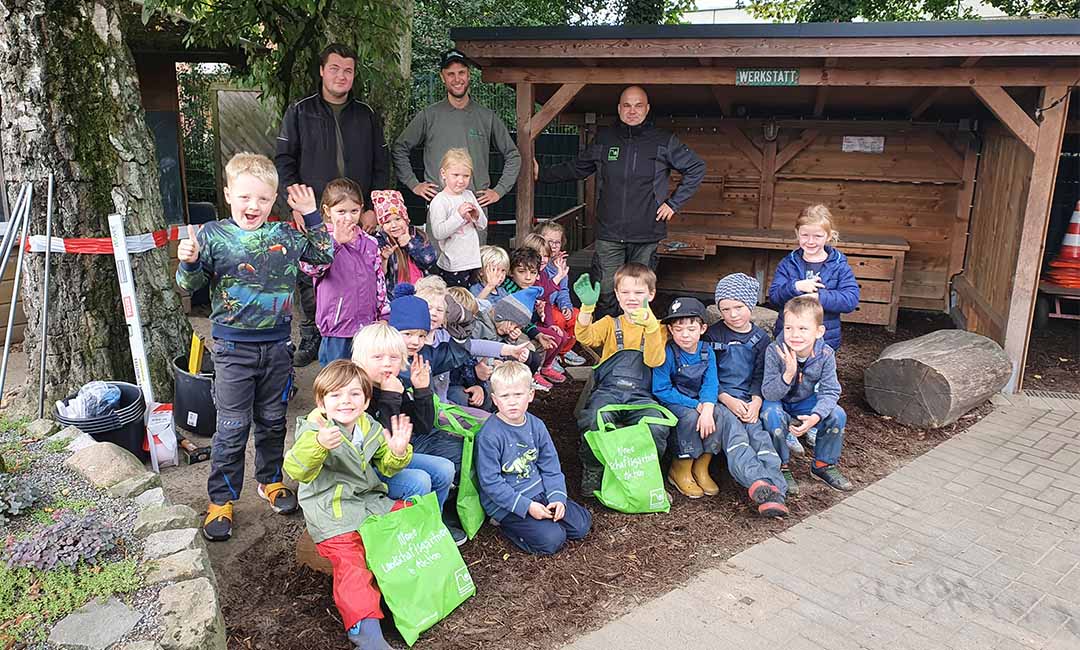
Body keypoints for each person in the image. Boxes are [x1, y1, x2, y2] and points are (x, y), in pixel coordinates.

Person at [176, 152, 334, 542]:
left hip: (278, 348)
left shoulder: (284, 235)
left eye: (263, 199)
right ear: (228, 193)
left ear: (274, 199)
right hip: (232, 350)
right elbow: (187, 288)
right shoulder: (211, 235)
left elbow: (324, 256)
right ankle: (221, 500)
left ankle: (270, 481)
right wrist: (190, 263)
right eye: (245, 197)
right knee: (230, 428)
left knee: (271, 421)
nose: (254, 206)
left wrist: (312, 214)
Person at [536, 85, 706, 318]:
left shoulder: (663, 141)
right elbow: (577, 167)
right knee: (606, 291)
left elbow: (696, 167)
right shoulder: (605, 139)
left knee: (638, 294)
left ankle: (633, 346)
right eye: (627, 105)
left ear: (647, 109)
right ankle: (606, 346)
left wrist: (673, 203)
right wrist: (541, 174)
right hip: (609, 232)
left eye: (638, 105)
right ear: (619, 108)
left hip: (647, 231)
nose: (632, 111)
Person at [283, 360, 412, 650]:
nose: (346, 401)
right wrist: (317, 445)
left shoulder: (370, 427)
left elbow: (387, 466)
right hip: (333, 511)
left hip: (368, 502)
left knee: (407, 521)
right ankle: (364, 629)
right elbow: (296, 469)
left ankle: (409, 598)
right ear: (322, 401)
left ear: (366, 401)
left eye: (354, 394)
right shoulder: (314, 429)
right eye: (336, 395)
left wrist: (399, 452)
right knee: (352, 562)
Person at [276, 43, 390, 367]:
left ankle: (359, 334)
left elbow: (381, 163)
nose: (342, 75)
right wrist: (298, 205)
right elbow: (284, 161)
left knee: (357, 271)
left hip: (357, 213)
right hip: (316, 214)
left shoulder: (365, 115)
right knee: (311, 276)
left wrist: (373, 207)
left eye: (348, 70)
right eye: (335, 68)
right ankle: (313, 334)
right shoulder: (300, 111)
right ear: (323, 71)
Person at [476, 361, 592, 555]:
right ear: (495, 400)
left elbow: (550, 465)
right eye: (505, 396)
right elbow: (491, 482)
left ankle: (544, 518)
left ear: (530, 395)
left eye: (518, 395)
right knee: (552, 540)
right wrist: (527, 506)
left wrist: (557, 497)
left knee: (581, 524)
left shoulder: (536, 425)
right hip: (509, 501)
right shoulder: (489, 435)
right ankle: (505, 524)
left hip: (538, 489)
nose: (512, 402)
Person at [573, 263, 670, 494]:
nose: (631, 298)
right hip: (609, 392)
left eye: (638, 293)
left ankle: (648, 474)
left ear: (651, 294)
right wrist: (587, 308)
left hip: (642, 396)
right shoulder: (610, 323)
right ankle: (593, 467)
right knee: (596, 417)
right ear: (616, 294)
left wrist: (652, 328)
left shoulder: (661, 329)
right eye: (625, 292)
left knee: (656, 425)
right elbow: (584, 337)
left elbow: (655, 361)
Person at [393, 49, 521, 222]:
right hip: (440, 205)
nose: (457, 79)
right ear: (442, 77)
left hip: (474, 207)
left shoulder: (486, 117)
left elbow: (513, 155)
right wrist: (414, 184)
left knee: (475, 250)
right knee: (438, 250)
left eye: (461, 72)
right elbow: (400, 148)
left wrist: (499, 190)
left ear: (469, 75)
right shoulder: (429, 115)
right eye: (450, 74)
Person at [351, 323, 455, 516]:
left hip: (394, 458)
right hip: (366, 468)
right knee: (419, 481)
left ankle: (433, 524)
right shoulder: (356, 391)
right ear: (360, 360)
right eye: (378, 357)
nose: (387, 363)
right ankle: (411, 536)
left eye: (394, 357)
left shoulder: (395, 385)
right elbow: (377, 441)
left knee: (445, 468)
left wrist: (422, 390)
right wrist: (390, 398)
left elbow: (423, 427)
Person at [705, 274, 789, 513]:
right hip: (721, 400)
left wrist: (756, 402)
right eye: (725, 309)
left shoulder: (761, 339)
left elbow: (760, 374)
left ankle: (777, 491)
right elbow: (707, 375)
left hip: (748, 400)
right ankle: (756, 482)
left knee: (760, 437)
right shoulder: (713, 335)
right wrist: (725, 398)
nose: (732, 314)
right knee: (737, 436)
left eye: (738, 307)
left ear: (750, 305)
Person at [761, 296, 853, 494]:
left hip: (805, 401)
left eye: (803, 329)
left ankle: (823, 465)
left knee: (836, 414)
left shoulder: (826, 354)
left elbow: (830, 390)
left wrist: (816, 416)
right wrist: (787, 374)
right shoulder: (774, 351)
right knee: (772, 415)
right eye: (789, 328)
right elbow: (768, 392)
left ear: (819, 331)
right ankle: (780, 466)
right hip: (778, 401)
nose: (795, 335)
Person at [300, 178, 387, 366]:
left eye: (354, 211)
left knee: (364, 379)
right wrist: (335, 243)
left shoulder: (370, 243)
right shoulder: (321, 242)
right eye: (341, 211)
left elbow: (379, 280)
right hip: (336, 329)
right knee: (335, 382)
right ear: (327, 211)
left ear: (361, 209)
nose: (348, 217)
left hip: (367, 328)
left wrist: (384, 315)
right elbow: (310, 268)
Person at [650, 297, 722, 500]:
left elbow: (711, 383)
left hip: (699, 401)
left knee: (719, 414)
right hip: (674, 401)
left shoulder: (708, 351)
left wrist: (707, 407)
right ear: (671, 331)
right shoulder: (668, 352)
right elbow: (661, 389)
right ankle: (681, 468)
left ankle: (702, 467)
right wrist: (695, 405)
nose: (685, 335)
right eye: (679, 329)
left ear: (702, 328)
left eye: (691, 329)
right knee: (690, 418)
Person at [768, 204, 860, 351]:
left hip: (824, 339)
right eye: (805, 235)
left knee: (818, 373)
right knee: (786, 372)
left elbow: (850, 300)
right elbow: (774, 297)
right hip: (789, 337)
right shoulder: (788, 263)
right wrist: (796, 287)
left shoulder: (839, 265)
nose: (810, 241)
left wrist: (819, 298)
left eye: (817, 236)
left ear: (829, 236)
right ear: (797, 233)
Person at [500, 248, 567, 389]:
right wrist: (537, 333)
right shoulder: (510, 289)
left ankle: (534, 375)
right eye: (522, 271)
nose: (528, 277)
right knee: (529, 347)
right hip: (507, 332)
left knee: (547, 340)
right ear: (511, 272)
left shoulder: (526, 291)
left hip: (523, 327)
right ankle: (526, 379)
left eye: (533, 272)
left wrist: (539, 331)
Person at [428, 149, 487, 287]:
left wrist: (477, 216)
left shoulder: (469, 195)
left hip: (473, 260)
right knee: (456, 301)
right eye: (455, 175)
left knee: (471, 299)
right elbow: (438, 232)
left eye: (466, 176)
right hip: (453, 265)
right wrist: (459, 216)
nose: (460, 180)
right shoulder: (439, 201)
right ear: (444, 174)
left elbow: (482, 225)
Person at [535, 221, 587, 367]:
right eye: (549, 241)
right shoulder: (539, 263)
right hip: (542, 307)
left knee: (576, 316)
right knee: (557, 319)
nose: (553, 246)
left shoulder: (560, 263)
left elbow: (563, 290)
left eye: (557, 242)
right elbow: (544, 291)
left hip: (555, 304)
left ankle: (564, 351)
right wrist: (556, 272)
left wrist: (566, 306)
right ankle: (552, 354)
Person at [372, 189, 436, 298]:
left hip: (422, 294)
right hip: (395, 297)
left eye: (398, 219)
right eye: (387, 222)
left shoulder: (417, 235)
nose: (394, 225)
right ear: (381, 225)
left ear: (406, 219)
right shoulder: (379, 241)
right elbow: (378, 274)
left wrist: (410, 243)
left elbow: (429, 260)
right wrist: (384, 259)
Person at [469, 245, 511, 312]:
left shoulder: (502, 291)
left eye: (503, 270)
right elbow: (474, 308)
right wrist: (490, 286)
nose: (500, 275)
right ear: (481, 271)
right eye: (494, 270)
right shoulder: (475, 289)